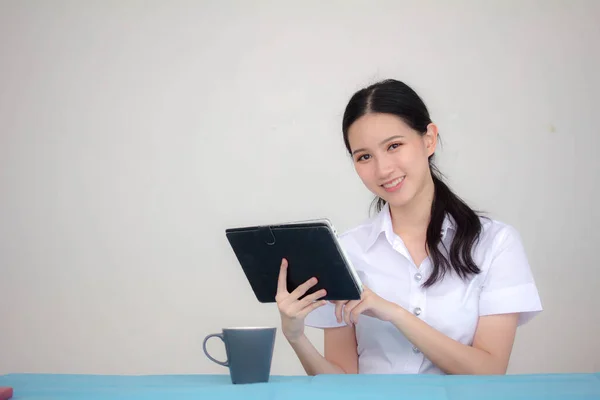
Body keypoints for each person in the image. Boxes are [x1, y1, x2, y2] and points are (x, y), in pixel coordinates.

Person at [274, 79, 543, 375]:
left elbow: (490, 372)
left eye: (394, 146)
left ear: (429, 139)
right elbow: (342, 381)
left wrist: (396, 314)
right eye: (364, 156)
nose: (383, 169)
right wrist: (295, 335)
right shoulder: (346, 252)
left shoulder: (495, 243)